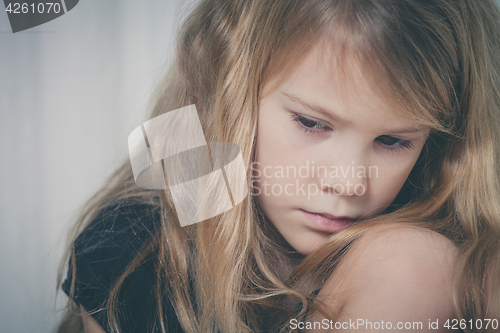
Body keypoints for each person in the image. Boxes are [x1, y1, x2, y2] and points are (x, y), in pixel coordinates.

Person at [56, 0, 500, 332]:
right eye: (311, 123)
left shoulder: (437, 255)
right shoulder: (134, 246)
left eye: (393, 141)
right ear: (229, 91)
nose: (347, 182)